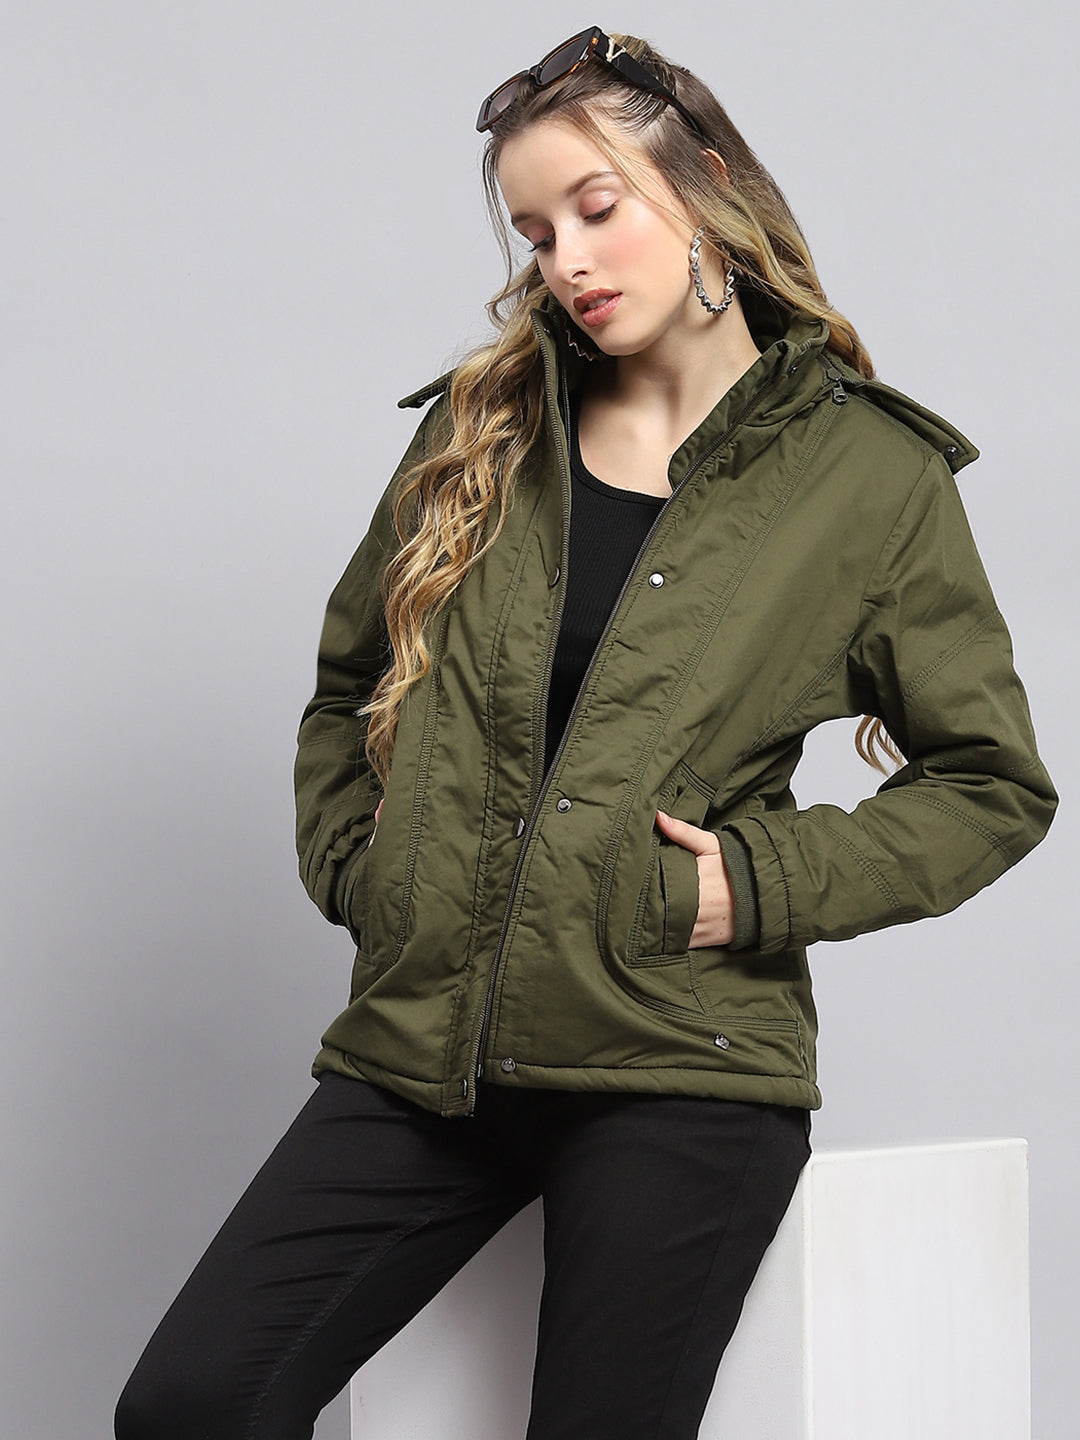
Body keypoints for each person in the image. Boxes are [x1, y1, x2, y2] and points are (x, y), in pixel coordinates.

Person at [115, 26, 1057, 1440]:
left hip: (674, 1064)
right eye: (538, 232)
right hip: (425, 1050)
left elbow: (992, 785)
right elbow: (346, 689)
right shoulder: (483, 431)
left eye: (598, 209)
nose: (569, 260)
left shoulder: (870, 474)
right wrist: (377, 876)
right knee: (192, 1406)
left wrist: (760, 882)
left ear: (707, 186)